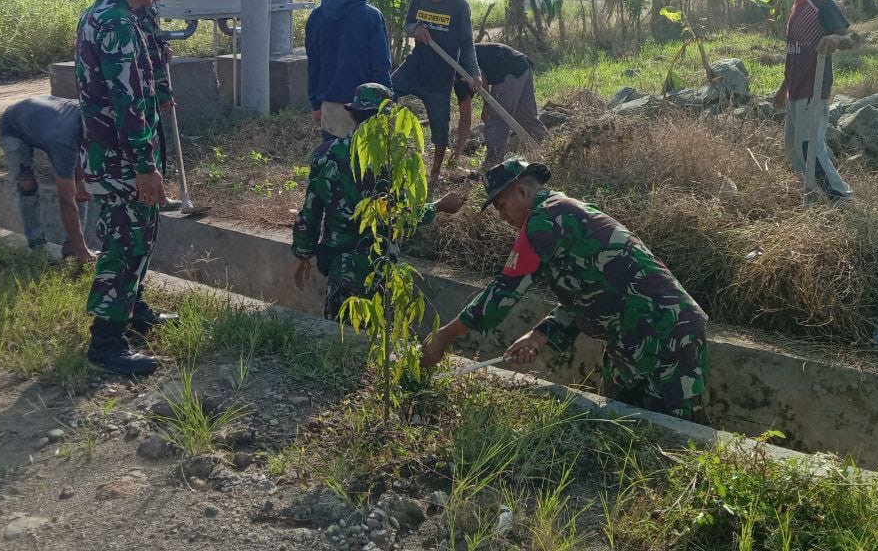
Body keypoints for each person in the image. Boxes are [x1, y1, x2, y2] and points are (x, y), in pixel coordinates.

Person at [421, 158, 710, 424]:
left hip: (665, 332)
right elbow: (587, 294)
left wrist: (444, 336)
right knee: (619, 424)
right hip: (636, 334)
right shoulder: (562, 212)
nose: (500, 216)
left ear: (521, 192)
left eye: (500, 205)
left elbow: (504, 292)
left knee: (675, 435)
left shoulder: (542, 221)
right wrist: (537, 336)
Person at [75, 0, 178, 375]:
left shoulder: (104, 14)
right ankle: (106, 342)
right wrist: (146, 166)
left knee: (138, 236)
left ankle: (132, 310)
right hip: (123, 160)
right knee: (126, 242)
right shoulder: (117, 25)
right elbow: (128, 102)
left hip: (111, 155)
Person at [292, 83, 465, 318]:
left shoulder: (325, 155)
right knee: (376, 339)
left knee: (337, 336)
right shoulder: (393, 162)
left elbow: (310, 212)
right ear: (389, 118)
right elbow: (402, 216)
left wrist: (303, 254)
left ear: (351, 114)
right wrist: (439, 207)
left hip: (339, 266)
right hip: (380, 266)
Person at [769, 0, 857, 204]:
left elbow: (852, 38)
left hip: (814, 88)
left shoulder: (822, 4)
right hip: (796, 89)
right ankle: (818, 195)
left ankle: (840, 198)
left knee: (809, 147)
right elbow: (793, 54)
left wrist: (836, 39)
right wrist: (783, 88)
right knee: (794, 149)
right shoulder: (795, 9)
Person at [390, 0, 482, 183]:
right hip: (415, 66)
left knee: (440, 129)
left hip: (441, 77)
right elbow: (408, 24)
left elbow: (466, 45)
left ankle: (434, 173)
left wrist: (474, 72)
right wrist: (416, 29)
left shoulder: (459, 6)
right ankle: (383, 150)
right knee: (383, 93)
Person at [0, 96, 96, 263]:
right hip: (12, 128)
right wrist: (81, 249)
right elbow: (66, 199)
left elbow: (83, 149)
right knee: (27, 186)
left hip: (42, 121)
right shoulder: (64, 140)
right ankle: (37, 246)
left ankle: (71, 246)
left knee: (82, 190)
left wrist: (81, 181)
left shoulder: (95, 117)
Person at [305, 0, 392, 142]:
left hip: (331, 105)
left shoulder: (317, 17)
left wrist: (316, 104)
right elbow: (381, 65)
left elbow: (314, 65)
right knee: (365, 169)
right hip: (366, 106)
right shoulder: (372, 16)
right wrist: (386, 104)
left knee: (334, 166)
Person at [452, 42, 549, 167]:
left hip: (509, 68)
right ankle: (551, 149)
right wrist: (457, 152)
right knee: (526, 117)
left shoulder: (458, 60)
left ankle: (492, 163)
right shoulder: (458, 83)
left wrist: (486, 106)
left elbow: (481, 78)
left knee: (495, 118)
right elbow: (465, 119)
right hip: (522, 65)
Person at [135, 0, 181, 206]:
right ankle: (156, 198)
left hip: (147, 88)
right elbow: (150, 56)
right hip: (145, 91)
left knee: (156, 143)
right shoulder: (141, 9)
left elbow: (154, 44)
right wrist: (165, 94)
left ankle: (158, 196)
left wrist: (164, 44)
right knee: (151, 145)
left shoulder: (148, 8)